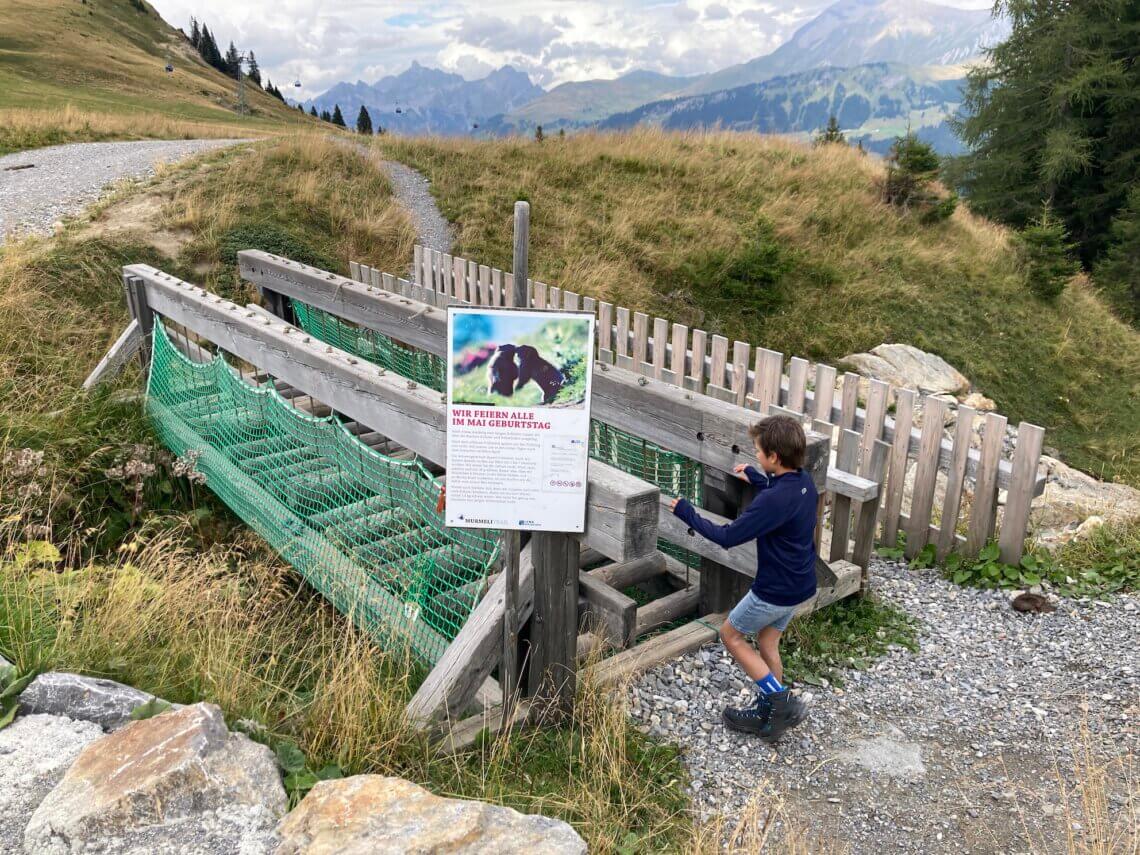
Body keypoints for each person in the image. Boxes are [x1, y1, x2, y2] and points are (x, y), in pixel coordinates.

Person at [670, 415, 818, 742]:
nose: (756, 455)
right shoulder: (804, 482)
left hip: (773, 590)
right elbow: (783, 500)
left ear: (774, 457)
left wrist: (688, 513)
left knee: (731, 635)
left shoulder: (773, 499)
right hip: (800, 585)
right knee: (767, 642)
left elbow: (727, 537)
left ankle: (780, 702)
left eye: (758, 452)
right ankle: (771, 718)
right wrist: (759, 478)